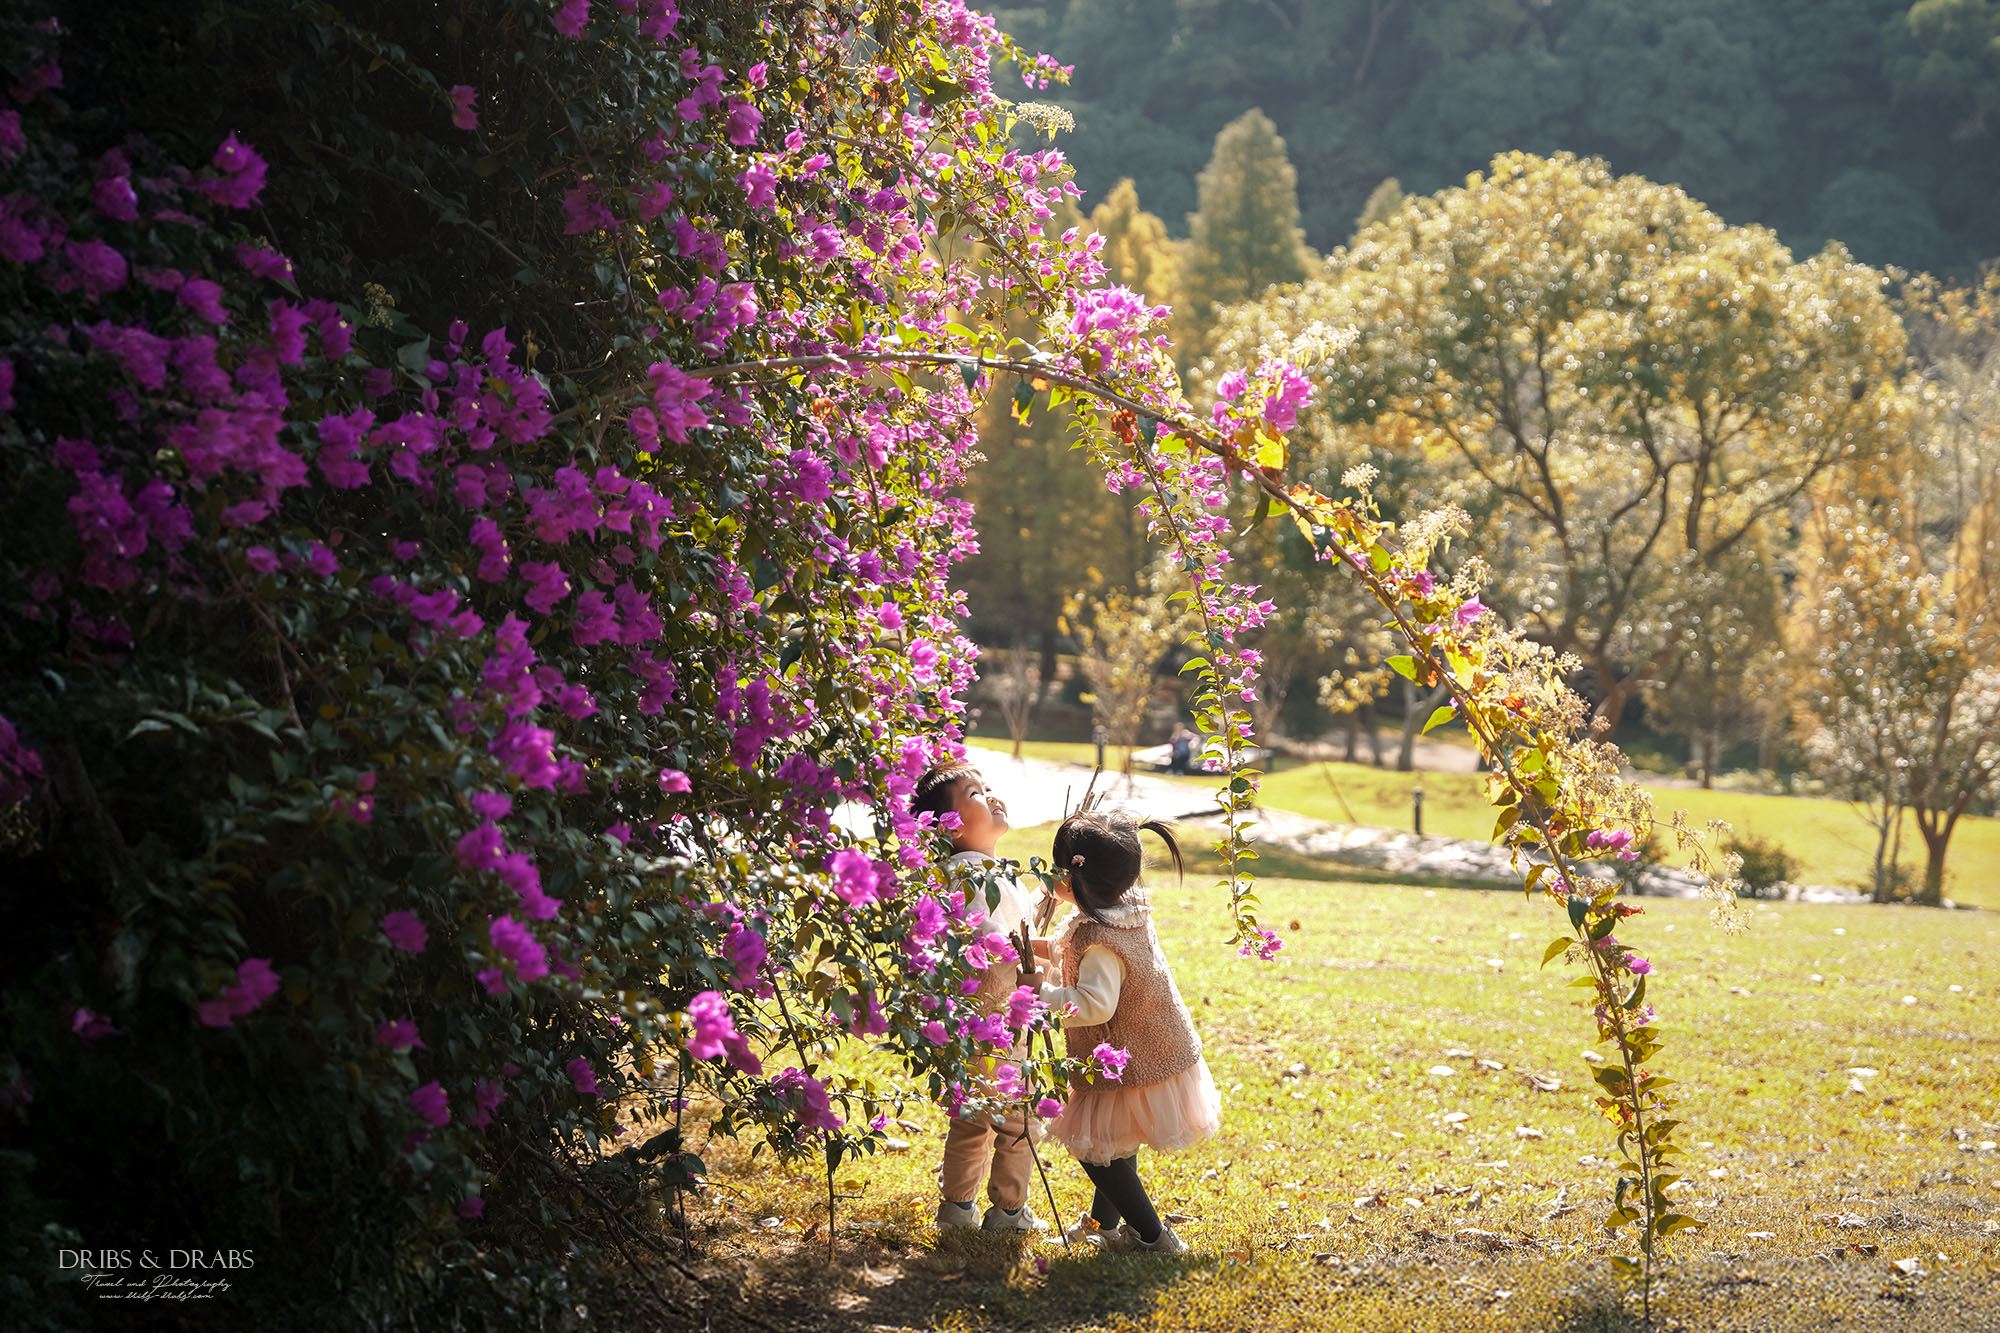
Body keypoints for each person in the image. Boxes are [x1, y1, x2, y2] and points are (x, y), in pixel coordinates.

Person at [1025, 804, 1219, 1254]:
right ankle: (1102, 1226)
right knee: (1114, 1139)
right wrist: (1025, 948)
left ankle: (1153, 1237)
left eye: (1055, 869)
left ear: (1072, 879)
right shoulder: (1121, 912)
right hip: (1153, 1048)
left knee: (1099, 1151)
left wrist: (1041, 995)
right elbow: (1066, 948)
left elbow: (1093, 1004)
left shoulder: (1101, 942)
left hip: (1133, 1058)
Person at [911, 761, 1047, 1233]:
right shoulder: (965, 877)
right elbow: (987, 944)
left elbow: (1021, 935)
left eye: (987, 786)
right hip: (987, 1020)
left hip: (1010, 1018)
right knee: (999, 1117)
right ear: (948, 826)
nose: (990, 795)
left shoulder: (996, 873)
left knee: (1005, 1114)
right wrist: (1029, 961)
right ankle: (978, 1209)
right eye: (974, 792)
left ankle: (989, 1209)